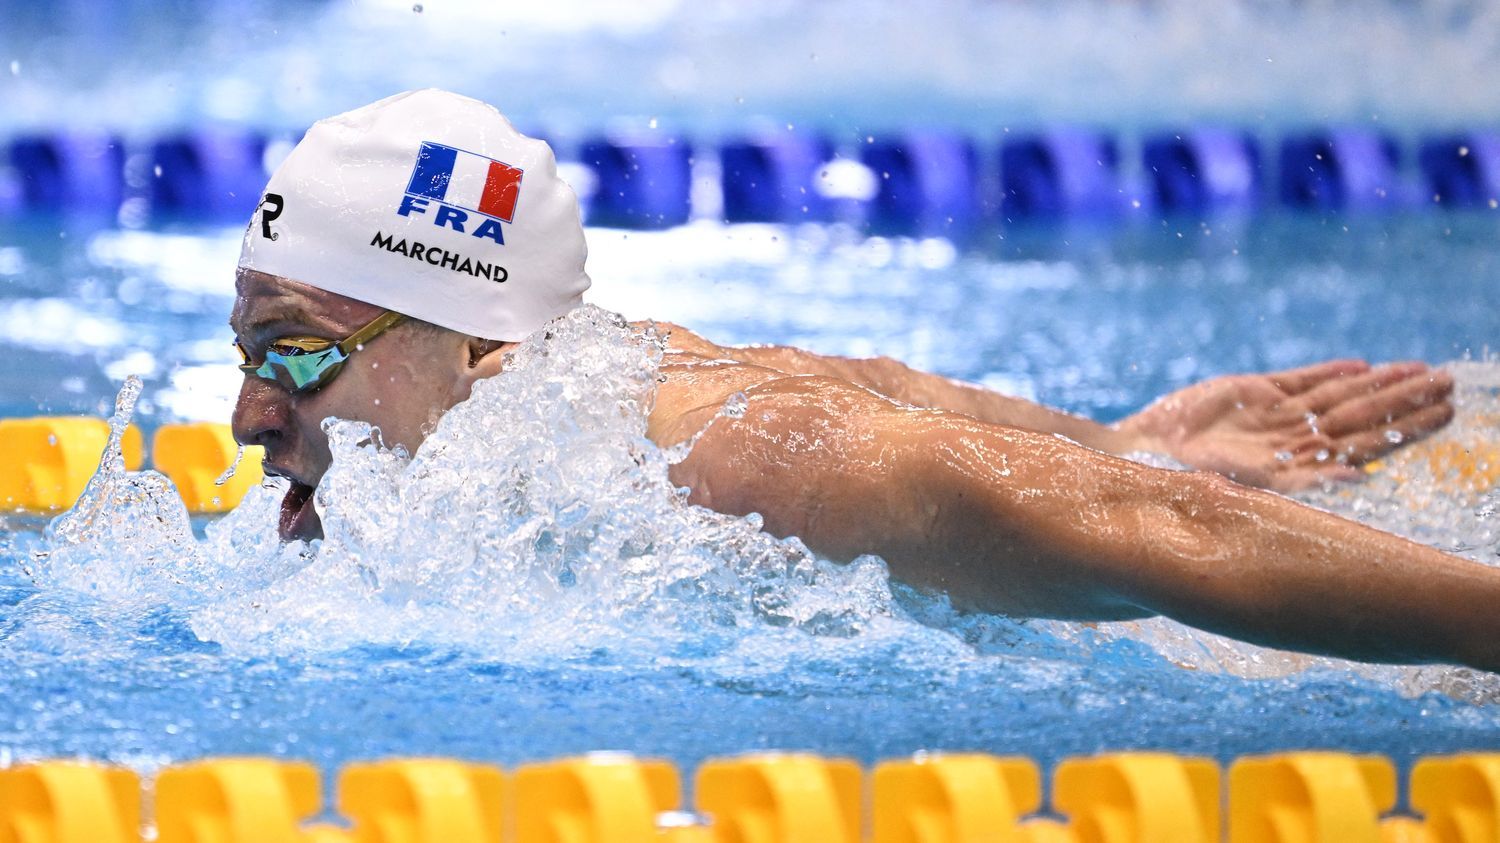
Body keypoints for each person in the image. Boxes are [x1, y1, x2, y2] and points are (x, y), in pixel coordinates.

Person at [231, 90, 1489, 671]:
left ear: (482, 355)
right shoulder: (597, 381)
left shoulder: (720, 463)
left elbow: (1135, 530)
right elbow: (870, 378)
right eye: (247, 357)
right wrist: (1132, 440)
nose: (247, 417)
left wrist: (1146, 485)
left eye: (294, 357)